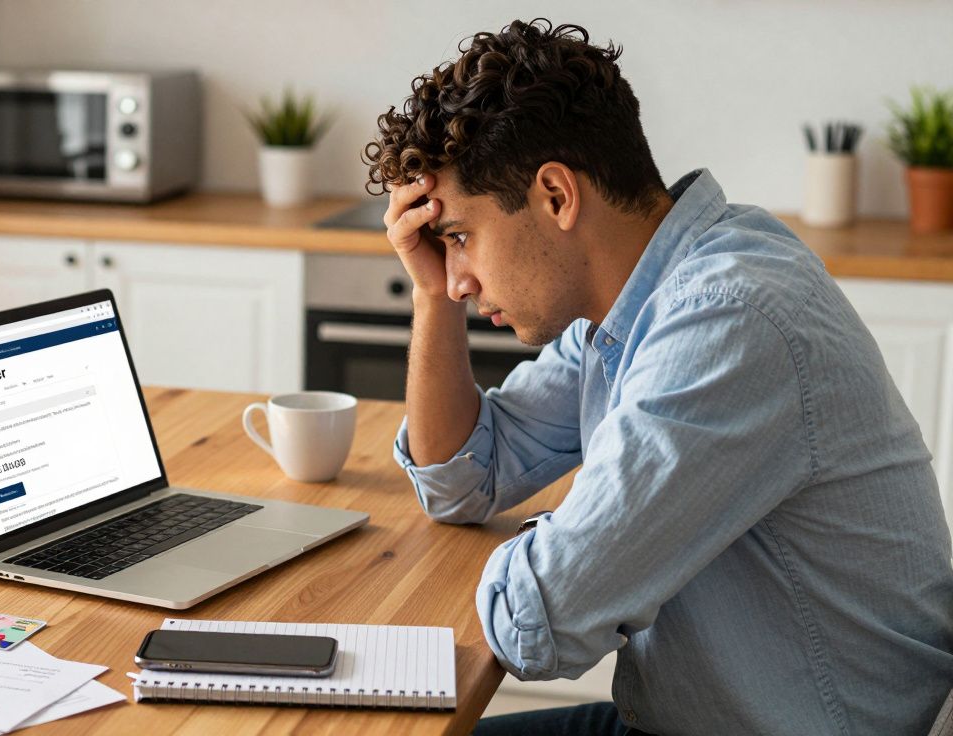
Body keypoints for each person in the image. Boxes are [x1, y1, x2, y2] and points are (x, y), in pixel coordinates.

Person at [364, 17, 953, 736]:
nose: (458, 279)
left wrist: (588, 540)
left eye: (458, 236)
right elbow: (461, 479)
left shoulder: (727, 318)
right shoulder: (631, 305)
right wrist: (430, 297)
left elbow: (538, 620)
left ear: (555, 195)